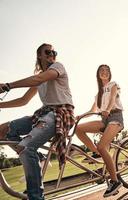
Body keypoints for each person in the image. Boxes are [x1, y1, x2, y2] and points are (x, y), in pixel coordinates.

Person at [0, 43, 75, 200]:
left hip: (60, 113)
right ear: (39, 56)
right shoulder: (40, 77)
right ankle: (38, 159)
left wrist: (8, 85)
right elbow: (23, 100)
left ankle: (36, 197)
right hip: (44, 113)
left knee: (26, 148)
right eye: (47, 52)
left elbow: (38, 78)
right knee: (4, 130)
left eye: (54, 51)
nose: (52, 54)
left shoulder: (57, 67)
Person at [75, 64, 124, 197]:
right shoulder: (98, 94)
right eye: (102, 70)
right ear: (98, 74)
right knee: (78, 129)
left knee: (102, 146)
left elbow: (113, 98)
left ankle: (115, 181)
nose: (105, 72)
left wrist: (107, 110)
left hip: (115, 117)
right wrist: (80, 116)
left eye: (107, 70)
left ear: (110, 74)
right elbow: (93, 110)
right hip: (104, 120)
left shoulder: (113, 84)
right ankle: (96, 152)